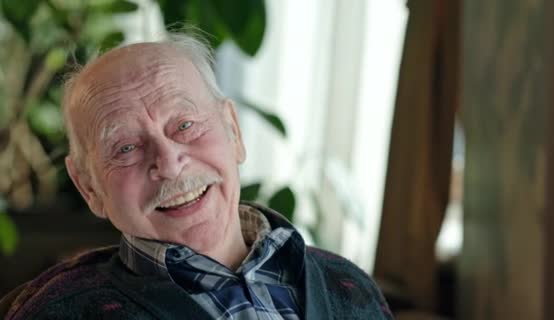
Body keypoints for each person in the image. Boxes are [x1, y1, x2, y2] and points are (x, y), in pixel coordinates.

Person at [0, 32, 392, 319]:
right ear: (89, 187)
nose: (169, 163)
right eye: (125, 148)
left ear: (233, 132)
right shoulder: (61, 313)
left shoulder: (348, 284)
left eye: (185, 125)